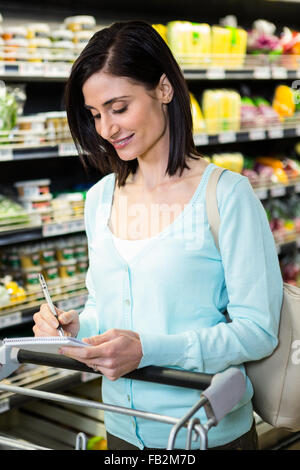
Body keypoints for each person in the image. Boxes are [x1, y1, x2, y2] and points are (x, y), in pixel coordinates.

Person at [32, 20, 283, 450]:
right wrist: (75, 326)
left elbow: (258, 331)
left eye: (118, 107)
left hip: (204, 433)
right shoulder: (100, 199)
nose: (106, 129)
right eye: (94, 115)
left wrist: (149, 350)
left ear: (164, 89)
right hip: (122, 430)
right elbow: (102, 305)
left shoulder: (227, 196)